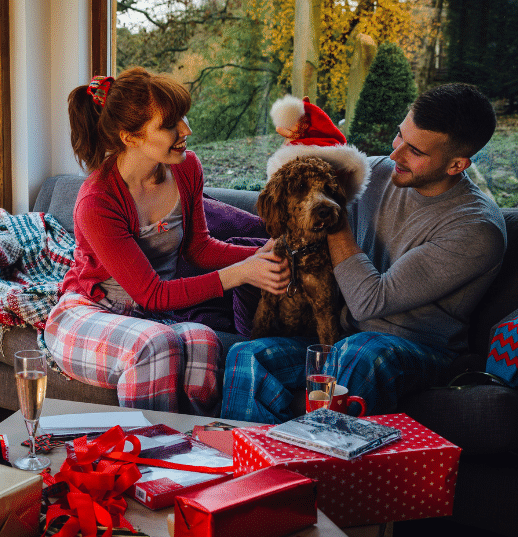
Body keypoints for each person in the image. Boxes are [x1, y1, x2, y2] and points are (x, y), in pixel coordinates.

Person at [222, 82, 508, 423]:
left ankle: (320, 470)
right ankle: (248, 466)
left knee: (362, 352)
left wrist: (335, 215)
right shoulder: (380, 173)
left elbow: (369, 301)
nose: (394, 154)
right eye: (399, 135)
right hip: (343, 339)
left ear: (456, 165)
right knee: (248, 355)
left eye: (414, 151)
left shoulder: (475, 229)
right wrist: (301, 150)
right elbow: (295, 200)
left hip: (416, 350)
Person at [43, 67, 290, 415]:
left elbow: (200, 248)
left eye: (183, 117)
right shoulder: (98, 200)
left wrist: (259, 255)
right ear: (131, 137)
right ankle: (146, 454)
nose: (186, 130)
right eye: (170, 124)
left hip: (152, 319)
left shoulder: (187, 169)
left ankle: (196, 456)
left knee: (204, 341)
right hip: (87, 314)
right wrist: (242, 273)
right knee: (156, 345)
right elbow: (153, 294)